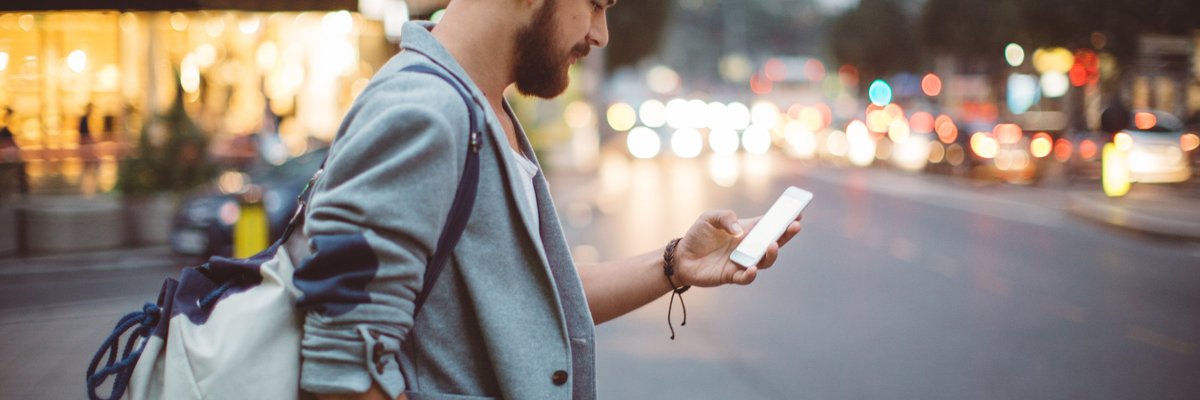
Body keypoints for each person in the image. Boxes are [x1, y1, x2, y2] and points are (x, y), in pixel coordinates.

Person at [297, 1, 804, 399]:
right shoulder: (423, 112)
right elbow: (343, 367)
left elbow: (529, 298)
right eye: (597, 4)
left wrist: (675, 262)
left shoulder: (479, 107)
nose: (601, 34)